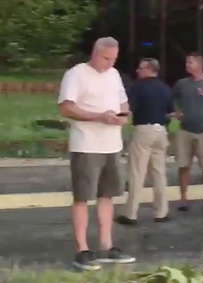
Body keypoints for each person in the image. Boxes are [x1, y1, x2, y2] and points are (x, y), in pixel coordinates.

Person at [57, 37, 136, 271]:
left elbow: (123, 103)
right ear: (94, 52)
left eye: (114, 59)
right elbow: (66, 107)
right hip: (86, 144)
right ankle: (81, 249)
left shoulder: (114, 75)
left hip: (112, 144)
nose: (110, 63)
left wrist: (122, 116)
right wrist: (99, 116)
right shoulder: (76, 74)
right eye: (106, 58)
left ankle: (106, 245)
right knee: (83, 196)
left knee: (107, 195)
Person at [116, 58, 173, 226]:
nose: (137, 71)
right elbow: (170, 111)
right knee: (159, 173)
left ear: (148, 69)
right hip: (161, 131)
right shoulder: (165, 87)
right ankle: (161, 211)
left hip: (143, 130)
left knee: (136, 172)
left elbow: (128, 108)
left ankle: (131, 213)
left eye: (140, 68)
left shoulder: (137, 87)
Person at [172, 53, 203, 212]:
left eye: (190, 62)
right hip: (185, 130)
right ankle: (184, 198)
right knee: (183, 165)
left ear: (200, 64)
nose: (187, 65)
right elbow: (173, 99)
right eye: (186, 62)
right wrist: (176, 110)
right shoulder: (181, 84)